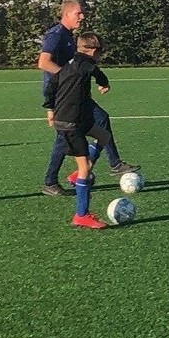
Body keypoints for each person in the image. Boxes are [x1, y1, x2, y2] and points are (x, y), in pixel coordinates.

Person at [39, 0, 137, 195]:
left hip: (74, 92)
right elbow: (43, 62)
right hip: (64, 94)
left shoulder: (68, 35)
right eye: (78, 13)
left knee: (101, 119)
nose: (82, 17)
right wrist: (66, 78)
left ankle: (109, 164)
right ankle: (52, 181)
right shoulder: (56, 35)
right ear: (66, 14)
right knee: (64, 136)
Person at [43, 32, 115, 229]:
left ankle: (77, 176)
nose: (100, 56)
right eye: (100, 52)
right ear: (92, 51)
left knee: (104, 136)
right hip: (71, 123)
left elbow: (51, 86)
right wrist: (104, 83)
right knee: (85, 169)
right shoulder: (87, 65)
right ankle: (81, 215)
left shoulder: (67, 65)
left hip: (73, 119)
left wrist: (50, 108)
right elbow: (97, 72)